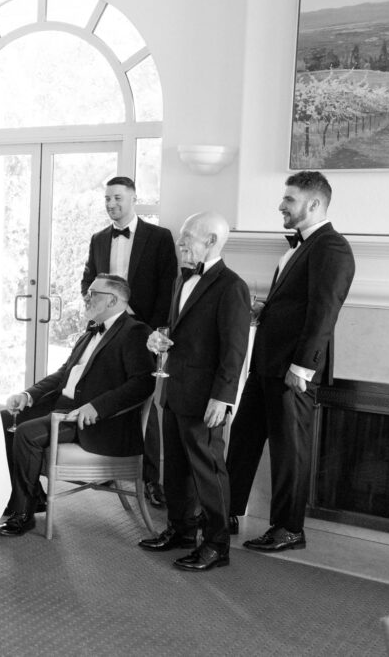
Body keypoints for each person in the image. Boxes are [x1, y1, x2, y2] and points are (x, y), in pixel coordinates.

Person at [227, 171, 355, 553]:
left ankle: (289, 529)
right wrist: (266, 310)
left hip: (293, 370)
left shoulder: (331, 247)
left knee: (289, 450)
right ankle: (226, 512)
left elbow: (323, 312)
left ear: (314, 204)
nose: (281, 205)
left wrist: (303, 368)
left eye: (289, 199)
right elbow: (297, 305)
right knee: (244, 440)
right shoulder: (298, 247)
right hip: (266, 362)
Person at [0, 274, 155, 537]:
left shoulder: (135, 332)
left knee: (26, 433)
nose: (85, 298)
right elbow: (63, 374)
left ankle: (23, 514)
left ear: (112, 300)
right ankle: (32, 496)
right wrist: (28, 395)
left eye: (93, 294)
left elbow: (143, 384)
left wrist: (97, 407)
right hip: (61, 407)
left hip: (94, 420)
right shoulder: (91, 330)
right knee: (5, 418)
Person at [137, 213, 250, 572]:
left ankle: (217, 546)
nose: (180, 242)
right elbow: (178, 328)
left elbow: (235, 349)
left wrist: (224, 397)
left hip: (206, 396)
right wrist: (158, 336)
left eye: (188, 237)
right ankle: (182, 530)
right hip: (173, 387)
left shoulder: (232, 286)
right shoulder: (181, 278)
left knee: (208, 471)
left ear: (212, 241)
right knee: (177, 469)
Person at [80, 176, 177, 509]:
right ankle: (103, 463)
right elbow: (87, 280)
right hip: (106, 331)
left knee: (145, 406)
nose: (111, 204)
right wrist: (98, 310)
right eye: (107, 198)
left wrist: (152, 330)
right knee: (102, 392)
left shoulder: (159, 237)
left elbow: (168, 287)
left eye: (117, 198)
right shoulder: (97, 239)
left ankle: (151, 480)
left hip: (143, 333)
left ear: (134, 198)